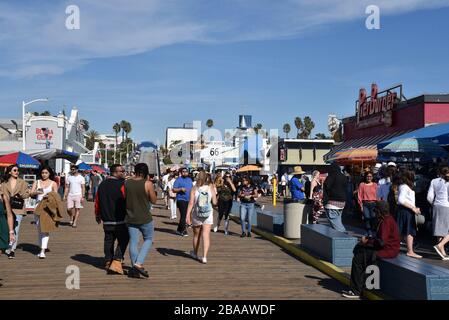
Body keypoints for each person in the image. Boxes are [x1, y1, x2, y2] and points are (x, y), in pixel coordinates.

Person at [342, 201, 400, 299]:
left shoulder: (386, 222)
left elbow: (382, 242)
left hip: (388, 250)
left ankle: (356, 290)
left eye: (376, 211)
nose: (375, 213)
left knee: (358, 260)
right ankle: (360, 285)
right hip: (386, 248)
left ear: (380, 211)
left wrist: (367, 241)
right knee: (359, 249)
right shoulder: (386, 219)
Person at [124, 163, 157, 278]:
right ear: (145, 172)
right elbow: (154, 201)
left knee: (133, 242)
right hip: (145, 218)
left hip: (131, 217)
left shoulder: (127, 182)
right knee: (148, 239)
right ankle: (138, 264)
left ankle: (134, 269)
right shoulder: (148, 184)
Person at [95, 164, 129, 274]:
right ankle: (117, 259)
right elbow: (127, 199)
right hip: (120, 218)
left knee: (108, 240)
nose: (124, 172)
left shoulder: (102, 184)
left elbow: (97, 201)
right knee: (124, 239)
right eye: (121, 171)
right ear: (114, 172)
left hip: (106, 218)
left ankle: (108, 260)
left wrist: (97, 214)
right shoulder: (123, 184)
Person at [186, 171, 217, 264]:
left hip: (197, 213)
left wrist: (187, 215)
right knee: (206, 235)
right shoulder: (211, 187)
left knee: (196, 235)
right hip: (208, 214)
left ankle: (195, 253)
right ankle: (204, 257)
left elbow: (191, 203)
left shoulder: (194, 188)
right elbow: (215, 202)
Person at [1, 164, 30, 259]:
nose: (17, 172)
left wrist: (21, 195)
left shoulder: (23, 182)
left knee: (15, 230)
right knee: (8, 228)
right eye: (14, 170)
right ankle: (6, 246)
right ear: (9, 172)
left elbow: (26, 195)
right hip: (7, 208)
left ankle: (12, 249)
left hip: (18, 208)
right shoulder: (4, 183)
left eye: (17, 170)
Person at [30, 166, 58, 259]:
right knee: (39, 229)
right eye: (43, 173)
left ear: (49, 173)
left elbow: (56, 196)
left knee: (45, 229)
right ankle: (41, 247)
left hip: (47, 208)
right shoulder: (37, 182)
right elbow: (31, 193)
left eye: (46, 173)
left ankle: (42, 250)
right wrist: (37, 192)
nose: (44, 174)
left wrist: (49, 196)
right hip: (38, 207)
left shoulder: (53, 183)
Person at [396, 169, 422, 259]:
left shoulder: (405, 186)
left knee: (404, 231)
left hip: (406, 210)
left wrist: (414, 207)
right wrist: (413, 208)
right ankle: (409, 251)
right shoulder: (404, 187)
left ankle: (397, 248)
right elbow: (401, 200)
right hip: (405, 211)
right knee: (408, 231)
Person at [427, 166, 449, 260]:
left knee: (439, 230)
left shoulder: (434, 181)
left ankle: (442, 252)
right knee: (445, 229)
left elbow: (429, 197)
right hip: (446, 206)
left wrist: (433, 204)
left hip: (436, 205)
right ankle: (440, 245)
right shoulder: (447, 182)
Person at [323, 163, 347, 232]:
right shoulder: (343, 176)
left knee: (337, 225)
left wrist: (325, 200)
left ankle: (344, 238)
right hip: (342, 203)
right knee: (338, 221)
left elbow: (327, 187)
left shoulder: (332, 176)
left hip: (332, 203)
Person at [172, 168, 193, 237]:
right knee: (184, 215)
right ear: (181, 173)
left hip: (189, 200)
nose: (185, 173)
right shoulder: (178, 180)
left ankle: (179, 229)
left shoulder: (190, 180)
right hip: (181, 200)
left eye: (186, 171)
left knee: (185, 215)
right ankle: (183, 230)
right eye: (183, 172)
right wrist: (180, 189)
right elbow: (174, 189)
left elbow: (192, 189)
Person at [357, 171, 378, 237]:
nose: (369, 178)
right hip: (365, 203)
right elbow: (359, 195)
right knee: (367, 218)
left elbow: (378, 195)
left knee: (373, 218)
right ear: (365, 177)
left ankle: (372, 230)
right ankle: (369, 233)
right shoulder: (362, 184)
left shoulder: (375, 185)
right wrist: (361, 205)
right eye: (368, 176)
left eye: (370, 176)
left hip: (374, 204)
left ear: (372, 177)